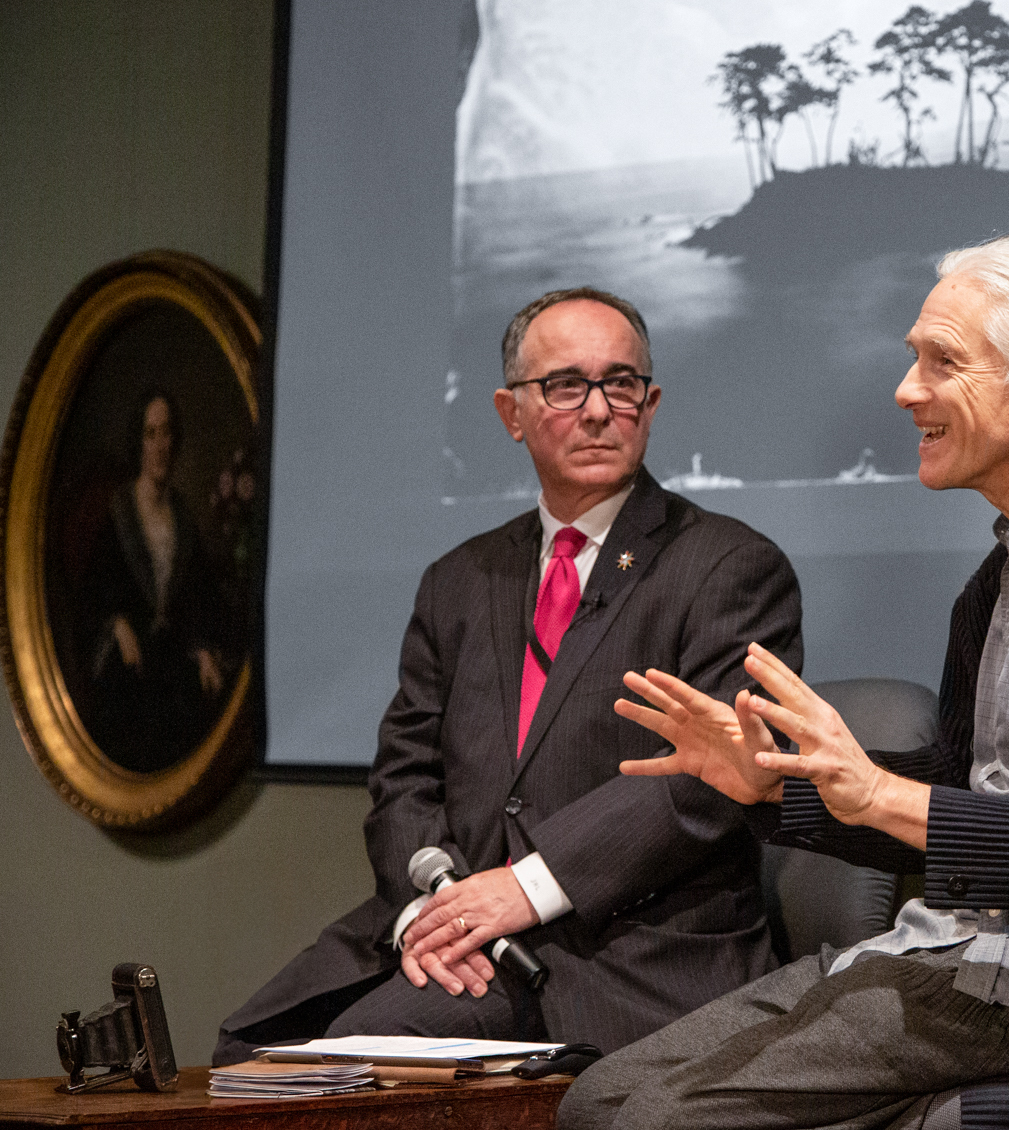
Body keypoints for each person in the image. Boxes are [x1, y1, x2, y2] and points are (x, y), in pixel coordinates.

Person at [560, 238, 1009, 1130]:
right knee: (597, 1101)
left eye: (942, 361)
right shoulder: (1005, 575)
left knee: (649, 1122)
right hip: (958, 953)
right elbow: (971, 788)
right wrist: (778, 785)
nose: (907, 390)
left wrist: (879, 795)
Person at [214, 287, 803, 1063]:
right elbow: (404, 777)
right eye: (566, 386)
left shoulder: (730, 567)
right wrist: (433, 910)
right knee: (247, 1052)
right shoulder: (459, 579)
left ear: (651, 404)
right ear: (510, 413)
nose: (599, 411)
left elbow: (709, 780)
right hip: (468, 933)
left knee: (350, 1062)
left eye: (621, 384)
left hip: (632, 949)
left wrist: (524, 888)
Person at [86, 391, 228, 774]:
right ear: (139, 443)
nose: (160, 445)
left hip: (171, 659)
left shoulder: (182, 517)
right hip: (128, 660)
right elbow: (96, 589)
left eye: (166, 433)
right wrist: (118, 624)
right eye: (150, 434)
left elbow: (199, 596)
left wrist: (203, 650)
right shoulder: (120, 512)